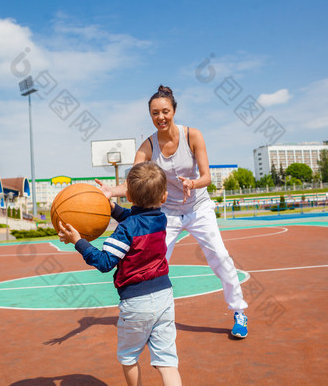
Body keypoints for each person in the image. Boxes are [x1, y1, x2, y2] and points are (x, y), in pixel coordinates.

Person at [96, 85, 248, 338]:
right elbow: (134, 183)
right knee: (153, 262)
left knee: (220, 257)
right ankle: (150, 314)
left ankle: (239, 311)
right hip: (167, 213)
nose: (160, 117)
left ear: (174, 111)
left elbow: (207, 176)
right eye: (155, 113)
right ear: (150, 116)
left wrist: (193, 183)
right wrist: (111, 191)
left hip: (198, 207)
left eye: (165, 111)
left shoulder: (193, 136)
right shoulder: (147, 147)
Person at [58, 162, 181, 386]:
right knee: (167, 361)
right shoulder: (160, 219)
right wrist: (111, 206)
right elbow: (135, 216)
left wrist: (78, 241)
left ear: (129, 195)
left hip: (136, 302)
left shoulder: (126, 229)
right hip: (165, 297)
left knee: (129, 357)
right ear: (163, 197)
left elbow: (105, 262)